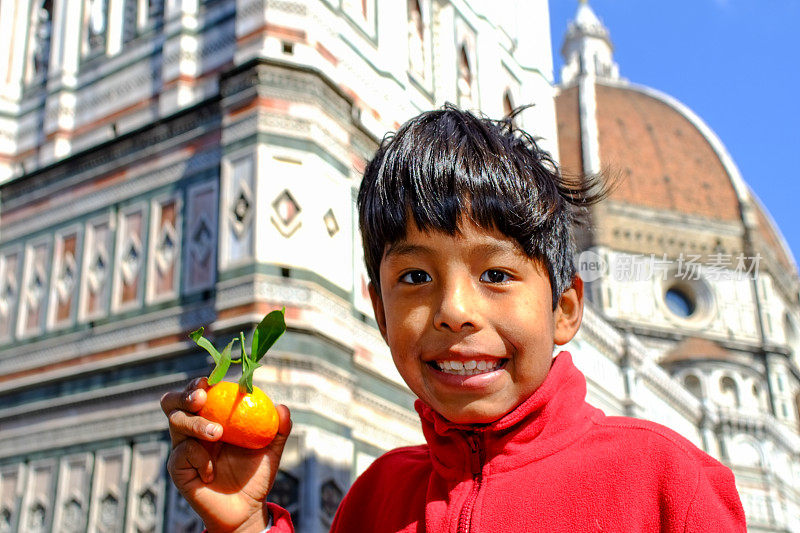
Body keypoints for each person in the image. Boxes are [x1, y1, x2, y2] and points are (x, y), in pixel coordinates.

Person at [160, 105, 746, 532]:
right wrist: (242, 526)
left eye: (495, 274)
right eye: (415, 278)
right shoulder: (376, 498)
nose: (455, 313)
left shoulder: (662, 480)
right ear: (380, 314)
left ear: (565, 308)